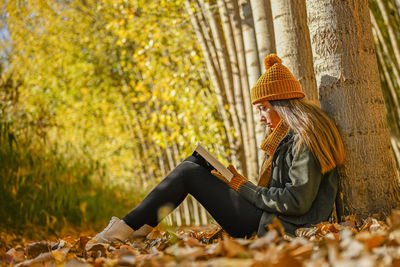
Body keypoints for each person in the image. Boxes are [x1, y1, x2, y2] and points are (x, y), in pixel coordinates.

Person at [86, 54, 345, 246]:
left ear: (284, 104)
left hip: (274, 228)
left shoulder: (304, 138)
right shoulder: (289, 136)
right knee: (197, 162)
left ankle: (123, 231)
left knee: (189, 173)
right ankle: (135, 228)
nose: (261, 117)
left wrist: (242, 186)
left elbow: (296, 202)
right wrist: (233, 181)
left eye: (264, 107)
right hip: (269, 220)